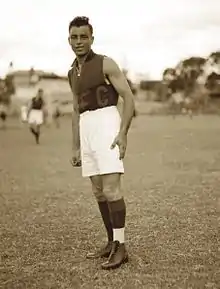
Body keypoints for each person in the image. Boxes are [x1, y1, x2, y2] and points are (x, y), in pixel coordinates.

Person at [68, 16, 135, 270]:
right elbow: (75, 111)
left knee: (111, 188)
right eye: (74, 37)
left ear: (92, 38)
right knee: (98, 190)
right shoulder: (71, 72)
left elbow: (128, 97)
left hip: (107, 123)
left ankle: (121, 246)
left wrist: (123, 132)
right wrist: (75, 145)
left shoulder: (106, 63)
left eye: (83, 36)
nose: (79, 41)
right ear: (68, 40)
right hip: (87, 127)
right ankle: (110, 242)